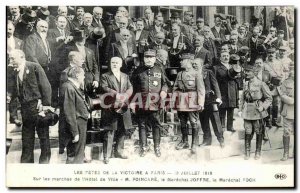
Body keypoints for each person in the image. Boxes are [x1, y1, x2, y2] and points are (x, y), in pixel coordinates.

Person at [7, 49, 52, 163]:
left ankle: (44, 163)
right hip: (25, 109)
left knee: (43, 137)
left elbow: (46, 86)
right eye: (10, 58)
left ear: (22, 57)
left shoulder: (34, 67)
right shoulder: (13, 71)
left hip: (38, 107)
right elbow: (13, 91)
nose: (10, 60)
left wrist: (46, 106)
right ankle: (26, 164)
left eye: (13, 58)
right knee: (27, 138)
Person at [131, 50, 168, 157]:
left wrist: (164, 91)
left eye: (151, 57)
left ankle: (157, 147)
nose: (149, 59)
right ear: (144, 58)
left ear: (155, 59)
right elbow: (132, 88)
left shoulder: (159, 69)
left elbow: (165, 83)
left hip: (156, 102)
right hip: (141, 102)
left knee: (156, 125)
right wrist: (133, 102)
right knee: (142, 125)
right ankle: (143, 147)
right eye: (147, 57)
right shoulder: (138, 71)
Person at [100, 57, 133, 164]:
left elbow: (130, 87)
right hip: (110, 106)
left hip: (123, 105)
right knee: (110, 130)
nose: (114, 64)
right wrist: (116, 94)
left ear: (121, 64)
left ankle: (119, 151)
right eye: (112, 62)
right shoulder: (105, 76)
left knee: (122, 129)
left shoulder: (125, 76)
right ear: (110, 64)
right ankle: (107, 155)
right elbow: (104, 87)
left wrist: (126, 95)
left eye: (116, 63)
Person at [238, 64, 272, 160]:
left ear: (255, 72)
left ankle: (258, 152)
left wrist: (263, 107)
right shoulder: (245, 84)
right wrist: (240, 109)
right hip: (247, 110)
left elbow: (269, 98)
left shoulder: (261, 84)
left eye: (248, 71)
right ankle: (247, 152)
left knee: (258, 131)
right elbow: (242, 99)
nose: (246, 73)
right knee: (248, 131)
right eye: (245, 71)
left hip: (257, 110)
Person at [173, 54, 205, 154]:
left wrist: (200, 103)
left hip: (192, 100)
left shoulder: (196, 74)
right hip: (181, 100)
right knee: (182, 122)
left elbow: (201, 89)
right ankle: (185, 141)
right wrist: (174, 101)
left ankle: (194, 144)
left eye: (182, 60)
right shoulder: (179, 74)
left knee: (193, 122)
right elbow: (175, 88)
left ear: (188, 61)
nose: (180, 62)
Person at [59, 66, 90, 164]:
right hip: (76, 125)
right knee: (76, 155)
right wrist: (75, 132)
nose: (84, 77)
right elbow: (69, 112)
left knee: (76, 154)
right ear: (77, 75)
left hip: (78, 124)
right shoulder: (69, 87)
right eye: (83, 75)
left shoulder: (71, 86)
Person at [193, 58, 224, 148]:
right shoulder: (192, 74)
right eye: (193, 64)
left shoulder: (209, 72)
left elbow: (215, 84)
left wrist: (218, 97)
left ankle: (221, 140)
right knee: (203, 121)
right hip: (200, 101)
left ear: (201, 64)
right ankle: (207, 140)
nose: (194, 65)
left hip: (210, 99)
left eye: (196, 64)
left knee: (215, 120)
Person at [213, 51, 239, 132]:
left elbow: (238, 79)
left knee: (231, 109)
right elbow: (214, 80)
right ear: (220, 58)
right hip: (222, 90)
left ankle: (230, 126)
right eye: (224, 56)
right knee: (222, 109)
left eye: (227, 56)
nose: (226, 57)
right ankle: (222, 126)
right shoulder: (216, 68)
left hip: (232, 90)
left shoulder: (233, 66)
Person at [278, 70, 294, 161]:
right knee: (286, 132)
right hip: (289, 111)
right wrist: (291, 100)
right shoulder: (286, 82)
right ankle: (286, 153)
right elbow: (282, 95)